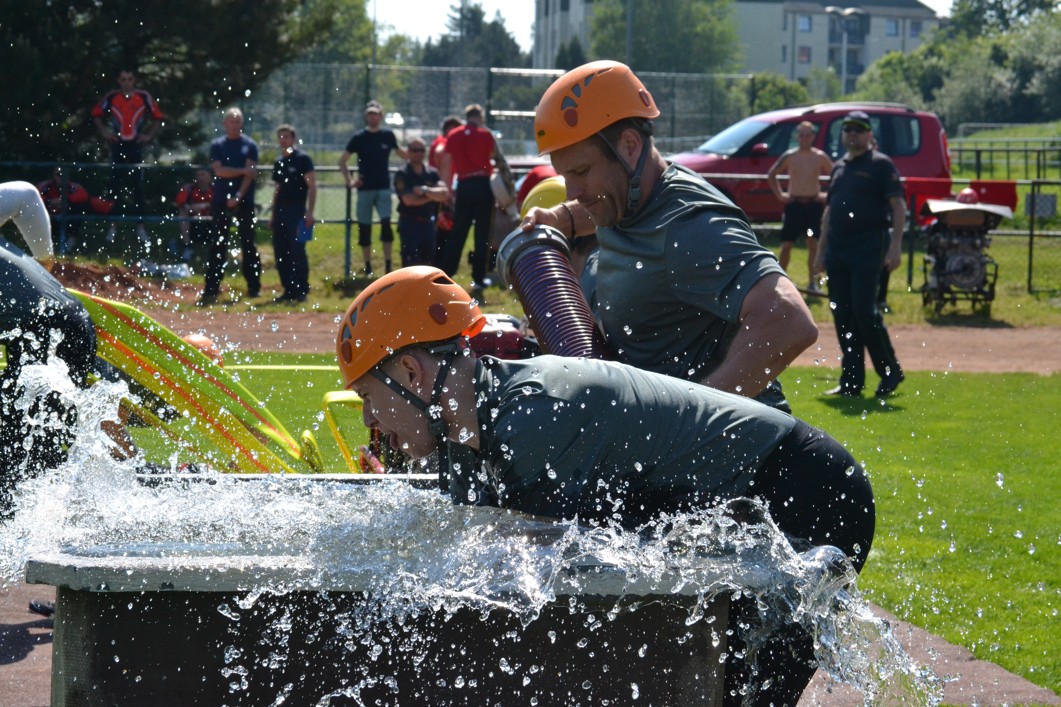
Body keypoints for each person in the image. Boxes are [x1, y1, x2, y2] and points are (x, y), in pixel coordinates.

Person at [335, 266, 875, 707]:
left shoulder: (532, 418)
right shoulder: (467, 432)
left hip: (808, 492)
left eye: (366, 397)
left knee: (727, 694)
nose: (369, 422)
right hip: (761, 489)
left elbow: (530, 567)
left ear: (411, 373)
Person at [521, 60, 818, 412]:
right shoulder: (626, 201)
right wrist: (563, 218)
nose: (574, 190)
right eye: (565, 175)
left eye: (582, 171)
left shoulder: (689, 225)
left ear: (630, 146)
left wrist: (696, 418)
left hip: (738, 457)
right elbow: (612, 209)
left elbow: (788, 319)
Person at [0, 182, 97, 517]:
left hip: (47, 330)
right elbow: (26, 195)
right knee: (32, 458)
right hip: (64, 318)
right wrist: (45, 262)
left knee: (20, 462)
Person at [814, 111, 906, 398]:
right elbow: (829, 213)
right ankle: (851, 380)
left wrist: (895, 247)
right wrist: (820, 253)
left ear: (869, 135)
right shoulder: (839, 167)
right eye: (847, 130)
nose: (852, 135)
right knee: (842, 313)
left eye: (858, 130)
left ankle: (890, 372)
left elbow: (898, 206)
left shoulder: (880, 165)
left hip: (869, 245)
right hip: (838, 248)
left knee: (864, 312)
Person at [439, 104, 512, 291]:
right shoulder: (485, 134)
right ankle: (478, 278)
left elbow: (447, 165)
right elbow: (496, 158)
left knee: (458, 231)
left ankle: (448, 273)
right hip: (483, 185)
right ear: (479, 117)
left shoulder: (453, 135)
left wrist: (447, 190)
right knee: (482, 233)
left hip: (463, 185)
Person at [91, 68, 163, 249]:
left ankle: (140, 227)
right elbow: (96, 114)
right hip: (117, 144)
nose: (126, 82)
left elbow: (158, 117)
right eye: (123, 79)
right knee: (114, 184)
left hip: (136, 145)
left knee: (138, 186)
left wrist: (149, 135)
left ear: (134, 80)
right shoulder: (112, 97)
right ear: (119, 81)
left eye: (129, 79)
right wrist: (105, 131)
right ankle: (112, 226)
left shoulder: (143, 96)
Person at [199, 107, 261, 306]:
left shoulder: (250, 145)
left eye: (238, 121)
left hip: (244, 200)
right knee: (218, 243)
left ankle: (254, 287)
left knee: (248, 244)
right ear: (225, 124)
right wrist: (242, 170)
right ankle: (211, 287)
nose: (234, 124)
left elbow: (250, 176)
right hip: (220, 200)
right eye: (231, 121)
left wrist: (238, 196)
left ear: (241, 124)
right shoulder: (217, 145)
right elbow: (219, 171)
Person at [338, 101, 407, 277]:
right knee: (364, 228)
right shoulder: (359, 137)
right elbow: (342, 161)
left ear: (380, 116)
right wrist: (350, 180)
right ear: (366, 116)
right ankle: (368, 266)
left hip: (383, 187)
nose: (372, 117)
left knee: (386, 225)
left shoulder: (388, 135)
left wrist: (418, 156)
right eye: (369, 114)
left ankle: (388, 265)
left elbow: (402, 154)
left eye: (375, 114)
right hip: (364, 189)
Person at [766, 121, 833, 292]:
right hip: (794, 206)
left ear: (813, 137)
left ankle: (812, 283)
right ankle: (779, 283)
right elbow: (772, 174)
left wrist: (826, 196)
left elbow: (836, 176)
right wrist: (780, 195)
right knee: (787, 244)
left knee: (813, 244)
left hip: (813, 206)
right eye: (801, 135)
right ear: (797, 136)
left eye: (807, 135)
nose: (804, 138)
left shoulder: (819, 156)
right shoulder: (790, 156)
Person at [269, 124, 316, 303]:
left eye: (286, 136)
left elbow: (312, 186)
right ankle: (287, 289)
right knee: (281, 250)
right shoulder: (279, 162)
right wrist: (273, 214)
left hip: (297, 210)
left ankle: (301, 290)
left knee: (298, 250)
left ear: (293, 139)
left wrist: (310, 212)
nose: (283, 140)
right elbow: (277, 189)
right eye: (280, 136)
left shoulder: (303, 159)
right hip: (281, 210)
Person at [393, 137, 448, 267]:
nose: (419, 153)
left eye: (422, 150)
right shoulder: (402, 174)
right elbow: (409, 201)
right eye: (415, 150)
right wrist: (432, 195)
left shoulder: (432, 172)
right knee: (410, 262)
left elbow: (444, 193)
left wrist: (425, 190)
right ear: (408, 152)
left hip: (428, 224)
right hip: (409, 223)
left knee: (428, 263)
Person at [37, 168, 113, 254]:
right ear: (54, 176)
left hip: (69, 216)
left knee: (80, 209)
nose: (60, 178)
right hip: (50, 215)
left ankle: (70, 242)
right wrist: (50, 202)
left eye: (62, 175)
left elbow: (84, 196)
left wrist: (65, 200)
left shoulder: (73, 187)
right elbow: (36, 197)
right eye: (58, 175)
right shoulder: (46, 186)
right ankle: (45, 247)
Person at [429, 115, 463, 269]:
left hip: (439, 191)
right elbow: (441, 155)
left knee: (442, 232)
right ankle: (440, 267)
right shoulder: (444, 143)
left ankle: (439, 266)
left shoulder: (442, 142)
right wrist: (446, 192)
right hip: (442, 194)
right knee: (443, 232)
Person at [172, 167, 214, 263]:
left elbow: (220, 204)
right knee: (182, 213)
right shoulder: (189, 188)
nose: (200, 178)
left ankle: (217, 249)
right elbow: (180, 202)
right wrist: (191, 208)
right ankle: (187, 247)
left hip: (210, 222)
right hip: (193, 223)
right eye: (198, 175)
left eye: (202, 174)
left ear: (209, 176)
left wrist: (205, 206)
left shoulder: (215, 189)